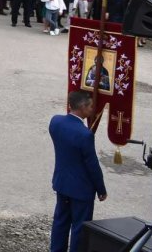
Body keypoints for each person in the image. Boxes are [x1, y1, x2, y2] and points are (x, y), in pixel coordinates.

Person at [49, 90, 107, 252]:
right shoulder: (85, 135)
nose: (92, 110)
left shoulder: (55, 122)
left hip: (62, 183)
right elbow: (92, 165)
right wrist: (101, 189)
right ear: (82, 107)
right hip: (81, 189)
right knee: (79, 229)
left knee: (60, 222)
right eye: (89, 106)